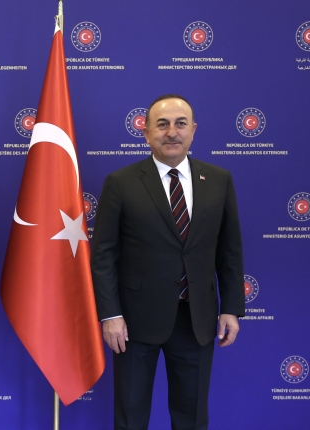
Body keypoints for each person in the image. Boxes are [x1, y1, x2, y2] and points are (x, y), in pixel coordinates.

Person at [91, 94, 244, 430]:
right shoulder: (120, 183)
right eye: (162, 124)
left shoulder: (219, 180)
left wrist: (231, 307)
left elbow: (229, 251)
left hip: (196, 320)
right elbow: (103, 255)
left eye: (180, 124)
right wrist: (110, 315)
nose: (172, 132)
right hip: (134, 322)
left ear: (193, 131)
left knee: (192, 419)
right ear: (146, 133)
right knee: (130, 419)